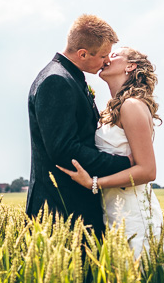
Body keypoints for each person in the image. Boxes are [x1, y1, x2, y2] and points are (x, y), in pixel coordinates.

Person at [26, 14, 133, 237]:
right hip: (60, 210)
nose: (107, 61)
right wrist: (124, 164)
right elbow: (66, 151)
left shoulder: (69, 77)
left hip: (75, 207)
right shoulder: (56, 81)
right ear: (82, 54)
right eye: (103, 55)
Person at [57, 46, 164, 258]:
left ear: (131, 66)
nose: (107, 58)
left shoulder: (132, 105)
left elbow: (148, 171)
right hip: (112, 211)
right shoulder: (112, 108)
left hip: (133, 214)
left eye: (114, 55)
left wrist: (94, 183)